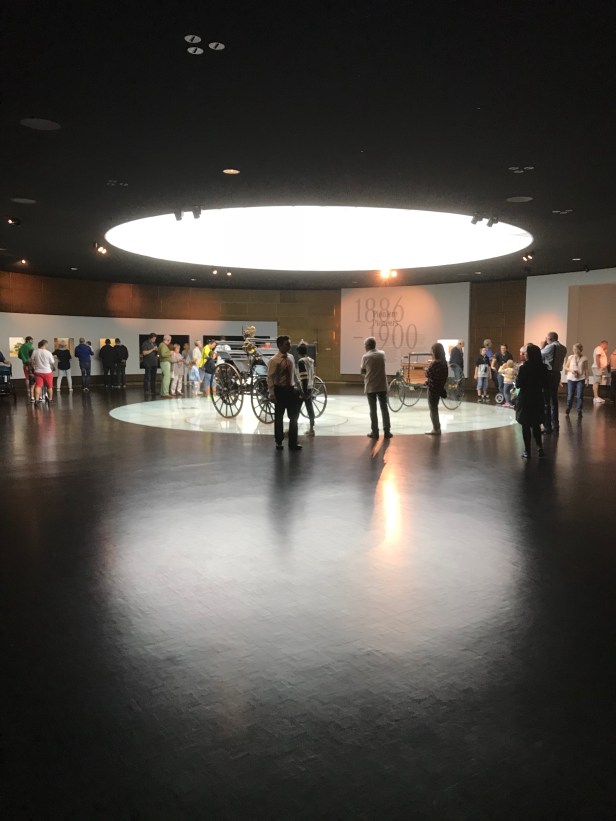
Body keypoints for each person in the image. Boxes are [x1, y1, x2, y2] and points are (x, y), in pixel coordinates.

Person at [267, 335, 302, 451]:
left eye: (289, 344)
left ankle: (293, 442)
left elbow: (294, 373)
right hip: (280, 391)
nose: (289, 346)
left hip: (291, 390)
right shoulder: (274, 360)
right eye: (287, 344)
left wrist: (299, 386)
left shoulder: (291, 357)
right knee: (279, 417)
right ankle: (279, 441)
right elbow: (270, 378)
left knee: (294, 417)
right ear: (280, 345)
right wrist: (272, 393)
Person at [515, 343, 549, 458]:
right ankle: (540, 448)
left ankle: (527, 451)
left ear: (529, 354)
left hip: (525, 399)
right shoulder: (543, 368)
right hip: (537, 398)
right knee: (536, 425)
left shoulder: (524, 368)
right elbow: (546, 384)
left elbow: (518, 384)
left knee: (525, 426)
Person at [360, 336, 392, 440]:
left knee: (373, 410)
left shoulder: (365, 357)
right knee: (384, 408)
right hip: (382, 385)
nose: (364, 347)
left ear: (368, 346)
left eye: (365, 345)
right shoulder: (382, 354)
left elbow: (363, 371)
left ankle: (375, 432)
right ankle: (387, 431)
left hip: (371, 386)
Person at [540, 331, 567, 432]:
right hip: (557, 374)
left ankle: (547, 426)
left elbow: (539, 355)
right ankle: (555, 424)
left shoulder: (551, 346)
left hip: (549, 374)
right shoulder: (564, 348)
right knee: (554, 399)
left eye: (547, 338)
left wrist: (542, 346)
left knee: (546, 400)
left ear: (550, 339)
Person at [424, 342, 448, 435]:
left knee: (433, 409)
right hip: (439, 389)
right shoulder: (444, 363)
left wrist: (427, 369)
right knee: (435, 408)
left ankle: (436, 429)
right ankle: (437, 428)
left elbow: (427, 374)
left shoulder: (435, 363)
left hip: (432, 389)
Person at [296, 342, 315, 436]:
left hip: (304, 388)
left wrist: (303, 392)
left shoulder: (301, 362)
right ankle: (311, 429)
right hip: (310, 387)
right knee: (310, 408)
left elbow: (304, 377)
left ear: (298, 352)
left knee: (296, 409)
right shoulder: (311, 361)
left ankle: (293, 429)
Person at [564, 343, 588, 418]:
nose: (574, 350)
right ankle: (568, 408)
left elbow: (586, 369)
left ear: (580, 349)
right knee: (570, 395)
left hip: (580, 379)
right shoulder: (571, 357)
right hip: (571, 378)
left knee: (579, 395)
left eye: (576, 349)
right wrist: (571, 370)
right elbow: (565, 367)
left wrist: (587, 379)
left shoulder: (584, 358)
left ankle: (579, 411)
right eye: (573, 349)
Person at [31, 339, 56, 404]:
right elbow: (52, 362)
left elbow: (32, 361)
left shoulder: (35, 352)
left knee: (38, 385)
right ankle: (50, 400)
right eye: (47, 344)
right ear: (45, 344)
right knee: (49, 386)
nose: (47, 346)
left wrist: (34, 367)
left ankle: (36, 400)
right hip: (47, 372)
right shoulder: (48, 353)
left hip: (38, 372)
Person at [591, 339, 608, 405]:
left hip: (598, 368)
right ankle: (595, 397)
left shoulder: (601, 349)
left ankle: (596, 397)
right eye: (606, 345)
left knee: (597, 382)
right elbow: (597, 357)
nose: (606, 347)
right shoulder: (598, 348)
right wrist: (599, 367)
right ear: (604, 344)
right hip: (597, 368)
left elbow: (601, 358)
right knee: (596, 382)